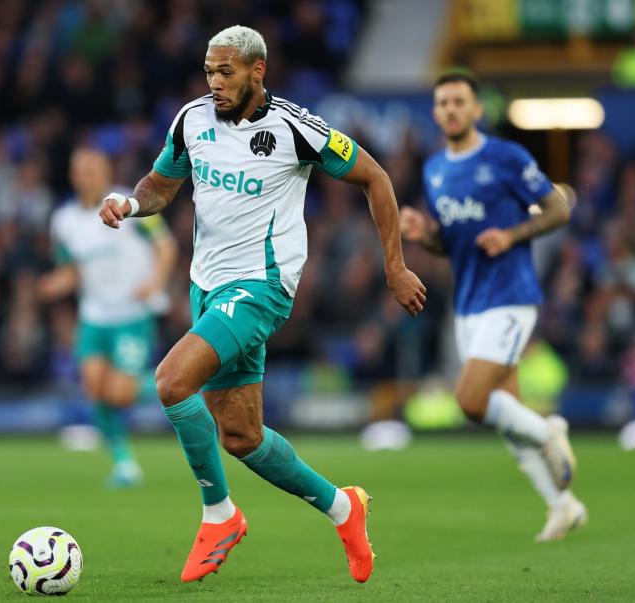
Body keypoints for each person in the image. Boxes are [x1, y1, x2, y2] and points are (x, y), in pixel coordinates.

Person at [99, 25, 426, 583]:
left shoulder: (297, 129)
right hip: (207, 287)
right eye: (208, 72)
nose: (214, 83)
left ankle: (219, 514)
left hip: (262, 287)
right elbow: (161, 184)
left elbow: (376, 178)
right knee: (242, 437)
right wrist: (128, 203)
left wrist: (394, 265)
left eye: (224, 72)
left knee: (172, 381)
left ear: (257, 72)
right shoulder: (191, 121)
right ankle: (344, 508)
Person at [400, 71, 587, 542]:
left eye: (460, 101)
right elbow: (452, 243)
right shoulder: (435, 168)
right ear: (436, 112)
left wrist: (513, 234)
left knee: (470, 401)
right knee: (505, 414)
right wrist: (428, 237)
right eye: (442, 102)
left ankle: (549, 432)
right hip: (468, 304)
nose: (451, 109)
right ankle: (562, 505)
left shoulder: (506, 157)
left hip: (511, 295)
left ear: (477, 109)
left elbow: (558, 210)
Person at [41, 147, 177, 487]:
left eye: (93, 169)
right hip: (93, 317)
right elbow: (71, 272)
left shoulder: (128, 204)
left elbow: (166, 246)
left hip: (131, 314)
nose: (86, 175)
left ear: (105, 173)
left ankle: (183, 385)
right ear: (73, 176)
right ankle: (124, 464)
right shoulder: (64, 222)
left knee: (119, 394)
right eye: (80, 169)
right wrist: (48, 286)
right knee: (94, 388)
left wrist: (156, 282)